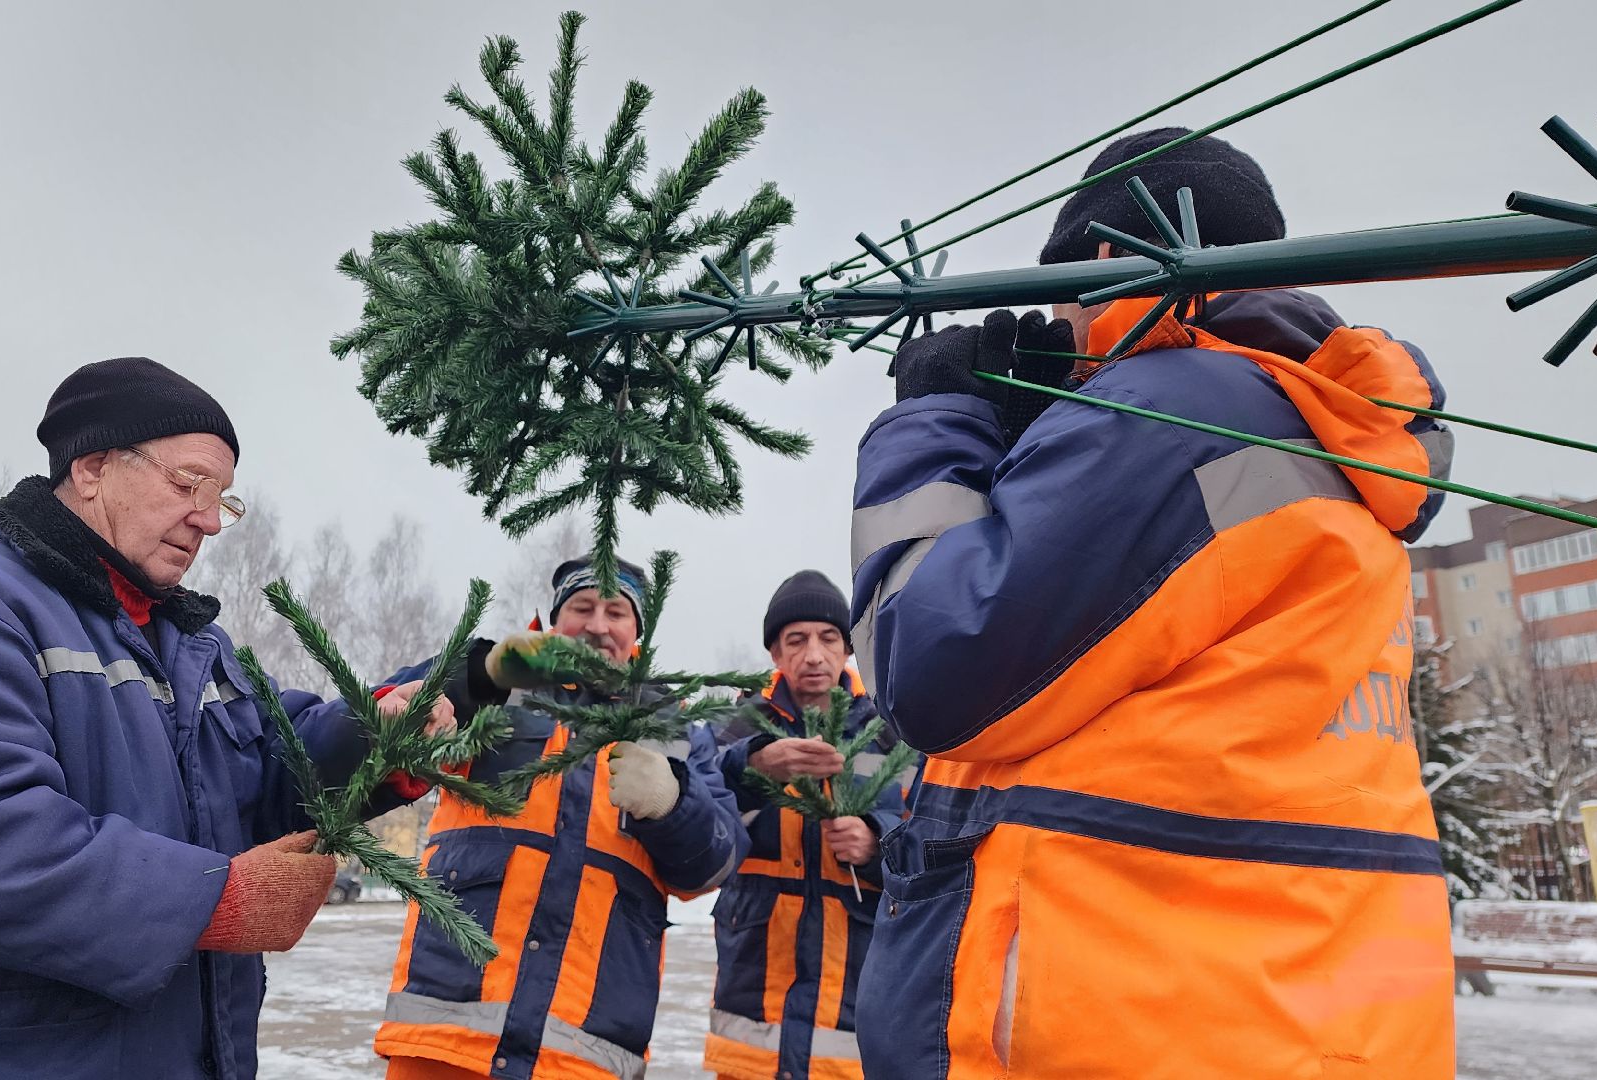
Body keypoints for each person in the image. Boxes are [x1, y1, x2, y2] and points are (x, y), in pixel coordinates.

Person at [848, 130, 1458, 1077]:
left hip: (1120, 1016)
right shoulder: (1323, 426)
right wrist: (1037, 453)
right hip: (1279, 1010)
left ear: (1101, 261)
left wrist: (935, 424)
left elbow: (929, 672)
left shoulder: (1174, 410)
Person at [0, 357, 449, 1080]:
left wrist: (380, 738)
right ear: (93, 467)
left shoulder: (194, 647)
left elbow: (266, 775)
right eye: (188, 483)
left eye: (223, 499)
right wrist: (211, 900)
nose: (207, 520)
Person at [374, 555, 749, 1080]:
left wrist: (672, 804)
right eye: (582, 607)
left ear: (637, 632)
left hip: (585, 1052)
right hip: (447, 1038)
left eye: (616, 612)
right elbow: (389, 725)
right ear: (556, 620)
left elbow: (716, 863)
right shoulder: (497, 684)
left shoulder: (674, 724)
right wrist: (462, 679)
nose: (598, 626)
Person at [704, 571, 909, 1080]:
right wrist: (754, 768)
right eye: (796, 640)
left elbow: (930, 836)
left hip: (854, 1006)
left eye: (828, 638)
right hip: (753, 1001)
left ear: (847, 650)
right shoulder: (737, 728)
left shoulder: (891, 735)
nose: (813, 655)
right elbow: (697, 816)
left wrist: (876, 841)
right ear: (775, 653)